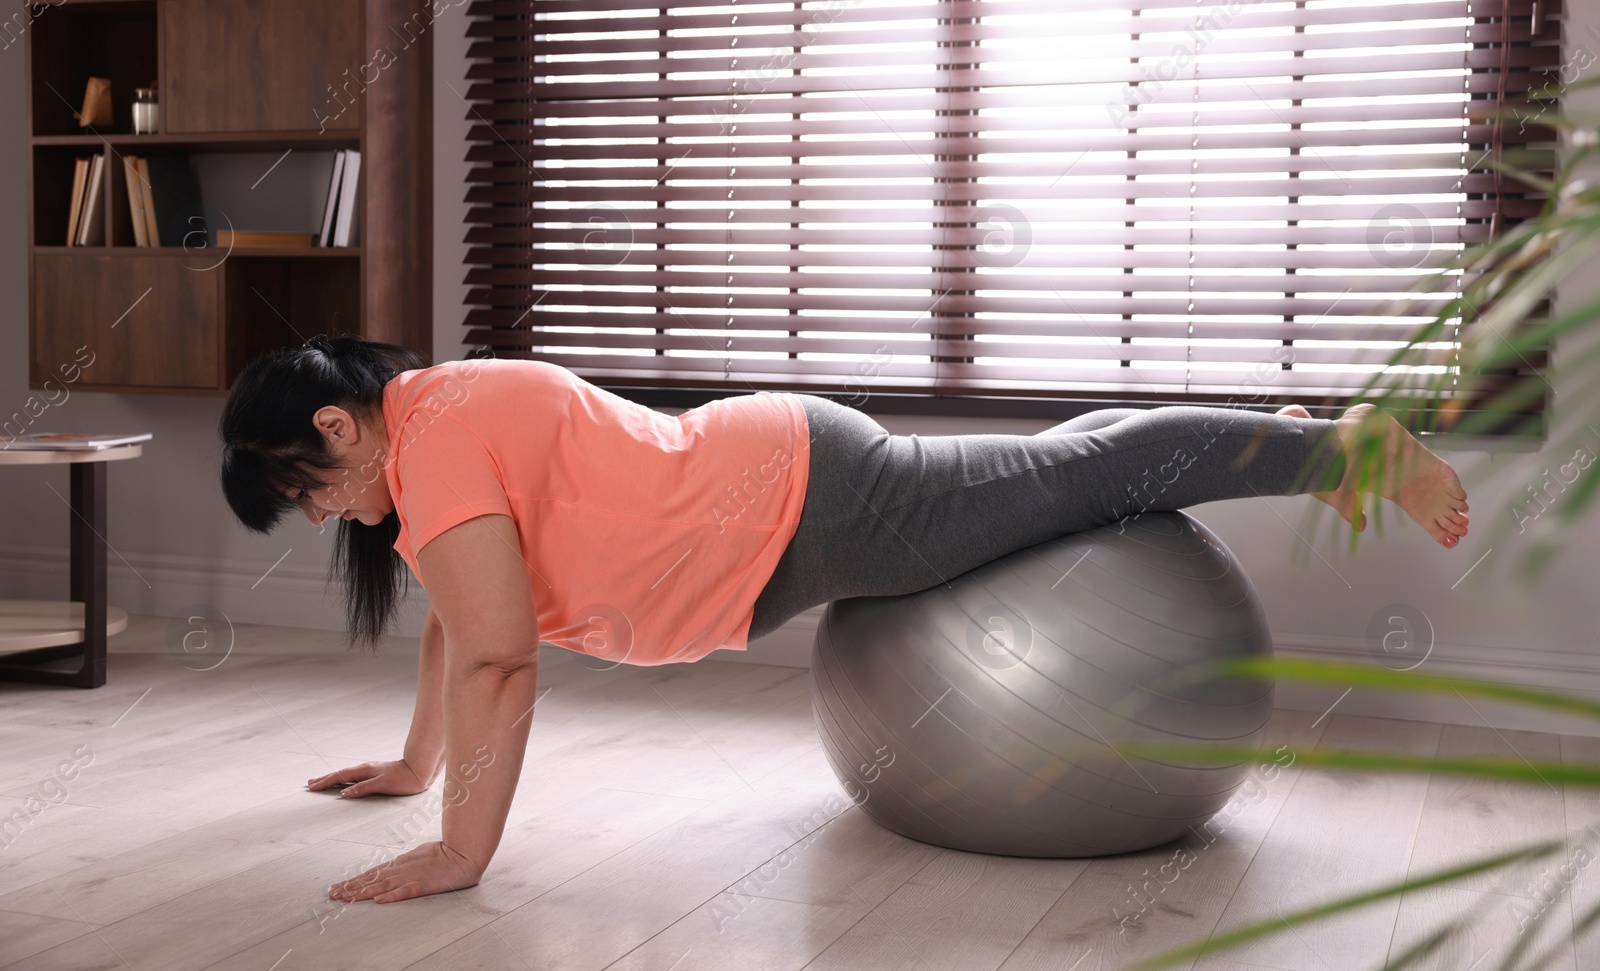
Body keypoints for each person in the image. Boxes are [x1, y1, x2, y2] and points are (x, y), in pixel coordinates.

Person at [218, 333, 1469, 904]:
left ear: (339, 424)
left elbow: (500, 656)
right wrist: (417, 761)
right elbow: (465, 620)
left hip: (813, 510)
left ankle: (1343, 448)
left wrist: (459, 850)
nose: (326, 514)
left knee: (1079, 481)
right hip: (787, 488)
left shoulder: (430, 445)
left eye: (308, 487)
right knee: (1053, 474)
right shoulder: (435, 421)